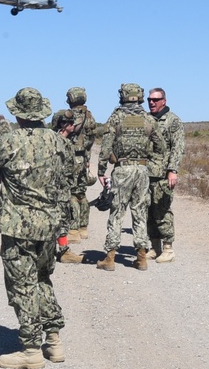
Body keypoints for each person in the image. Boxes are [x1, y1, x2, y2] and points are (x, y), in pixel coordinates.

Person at [0, 88, 71, 369]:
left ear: (18, 113)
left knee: (23, 285)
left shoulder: (9, 141)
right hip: (50, 224)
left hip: (19, 226)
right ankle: (54, 342)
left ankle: (31, 349)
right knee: (43, 279)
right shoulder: (59, 143)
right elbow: (70, 175)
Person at [95, 83, 166, 271]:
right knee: (140, 212)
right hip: (142, 171)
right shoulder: (147, 119)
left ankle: (110, 258)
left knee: (117, 212)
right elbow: (161, 146)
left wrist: (101, 170)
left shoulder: (116, 117)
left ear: (123, 96)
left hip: (122, 170)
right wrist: (148, 158)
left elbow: (106, 146)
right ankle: (141, 257)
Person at [146, 87, 186, 264]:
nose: (152, 103)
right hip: (146, 173)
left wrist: (173, 170)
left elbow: (177, 148)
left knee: (162, 210)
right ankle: (155, 247)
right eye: (149, 100)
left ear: (164, 100)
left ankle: (168, 248)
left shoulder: (173, 121)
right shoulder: (146, 119)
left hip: (163, 174)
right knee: (148, 211)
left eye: (155, 99)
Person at [65, 87, 97, 241]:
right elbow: (91, 139)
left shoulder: (72, 115)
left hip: (72, 157)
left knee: (71, 192)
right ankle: (84, 227)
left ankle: (73, 229)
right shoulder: (89, 116)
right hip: (83, 157)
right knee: (81, 193)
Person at [51, 109, 83, 264]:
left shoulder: (51, 140)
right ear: (62, 124)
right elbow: (69, 168)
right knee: (63, 219)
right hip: (60, 187)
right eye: (70, 123)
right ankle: (63, 251)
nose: (73, 125)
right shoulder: (62, 142)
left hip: (53, 186)